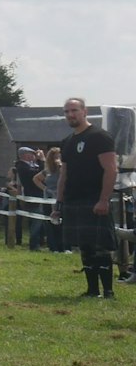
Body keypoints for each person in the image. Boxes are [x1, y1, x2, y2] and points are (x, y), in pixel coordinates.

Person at [57, 97, 119, 299]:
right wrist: (59, 202)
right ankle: (92, 290)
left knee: (100, 246)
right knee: (85, 246)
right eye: (66, 112)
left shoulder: (99, 136)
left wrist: (103, 199)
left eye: (74, 110)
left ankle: (108, 291)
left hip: (94, 199)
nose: (70, 115)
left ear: (85, 111)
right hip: (74, 199)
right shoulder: (67, 141)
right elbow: (63, 175)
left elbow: (111, 170)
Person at [35, 146, 67, 253]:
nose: (57, 159)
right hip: (49, 199)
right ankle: (53, 247)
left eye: (59, 156)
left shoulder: (64, 169)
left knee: (63, 223)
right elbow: (36, 179)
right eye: (55, 157)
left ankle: (65, 247)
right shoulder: (47, 171)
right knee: (50, 223)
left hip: (61, 199)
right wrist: (45, 189)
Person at [11, 146, 43, 249]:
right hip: (32, 196)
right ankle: (34, 245)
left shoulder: (32, 165)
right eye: (31, 153)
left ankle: (38, 242)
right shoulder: (21, 166)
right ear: (24, 155)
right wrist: (42, 161)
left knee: (36, 221)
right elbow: (35, 174)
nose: (33, 156)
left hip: (38, 195)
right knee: (37, 221)